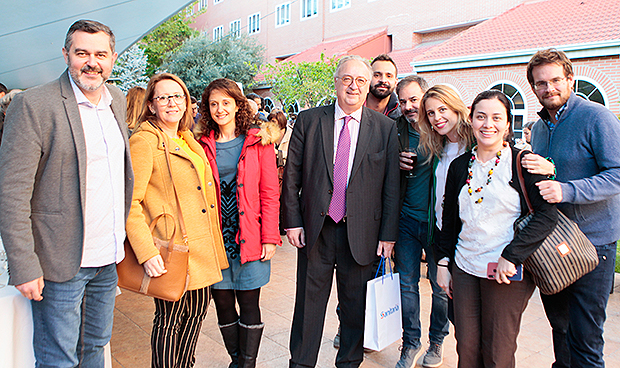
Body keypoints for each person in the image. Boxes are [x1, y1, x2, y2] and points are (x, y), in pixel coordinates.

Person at [0, 20, 133, 367]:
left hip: (107, 260)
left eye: (100, 54)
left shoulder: (116, 100)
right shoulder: (34, 105)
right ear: (66, 55)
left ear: (113, 58)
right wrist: (24, 264)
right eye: (82, 53)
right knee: (58, 359)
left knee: (95, 348)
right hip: (60, 263)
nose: (92, 62)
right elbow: (12, 191)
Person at [282, 55, 400, 368]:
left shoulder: (386, 129)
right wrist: (292, 222)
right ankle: (301, 363)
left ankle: (349, 363)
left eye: (361, 80)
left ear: (369, 85)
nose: (353, 86)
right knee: (308, 307)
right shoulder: (309, 121)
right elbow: (292, 175)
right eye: (346, 79)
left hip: (362, 233)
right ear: (336, 83)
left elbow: (391, 187)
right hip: (315, 232)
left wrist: (388, 235)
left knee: (354, 308)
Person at [436, 89, 558, 368]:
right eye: (480, 116)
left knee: (498, 351)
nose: (487, 124)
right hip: (465, 266)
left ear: (507, 123)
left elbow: (547, 216)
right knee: (466, 348)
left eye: (495, 117)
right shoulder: (459, 166)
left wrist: (512, 255)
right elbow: (450, 221)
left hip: (505, 272)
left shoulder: (522, 163)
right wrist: (443, 262)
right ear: (471, 120)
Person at [523, 48, 620, 368]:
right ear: (533, 88)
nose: (548, 88)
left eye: (555, 80)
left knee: (586, 337)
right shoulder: (539, 128)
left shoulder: (597, 117)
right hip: (554, 244)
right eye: (540, 83)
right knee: (560, 327)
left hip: (593, 243)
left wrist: (567, 190)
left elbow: (617, 174)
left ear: (570, 79)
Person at [126, 72, 228, 368]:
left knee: (196, 315)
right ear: (151, 105)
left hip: (201, 250)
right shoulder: (144, 142)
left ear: (187, 102)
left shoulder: (186, 139)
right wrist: (146, 252)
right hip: (172, 250)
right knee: (170, 320)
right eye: (164, 97)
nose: (172, 102)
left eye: (178, 96)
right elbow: (130, 203)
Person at [195, 78, 281, 368]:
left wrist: (271, 237)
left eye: (226, 103)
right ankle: (236, 359)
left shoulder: (258, 140)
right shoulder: (199, 144)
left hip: (251, 236)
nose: (220, 109)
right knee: (221, 302)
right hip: (214, 240)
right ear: (207, 108)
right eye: (214, 104)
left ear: (237, 105)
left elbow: (270, 193)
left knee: (248, 303)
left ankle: (247, 363)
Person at [393, 75, 450, 368]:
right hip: (406, 221)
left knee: (439, 287)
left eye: (414, 99)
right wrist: (395, 162)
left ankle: (437, 340)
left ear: (426, 97)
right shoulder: (396, 129)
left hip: (437, 225)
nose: (408, 106)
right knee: (407, 284)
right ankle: (410, 342)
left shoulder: (443, 130)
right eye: (403, 101)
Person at [366, 54, 401, 120]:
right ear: (368, 78)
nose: (383, 80)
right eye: (377, 75)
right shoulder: (354, 107)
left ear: (396, 82)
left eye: (389, 76)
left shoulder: (401, 116)